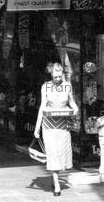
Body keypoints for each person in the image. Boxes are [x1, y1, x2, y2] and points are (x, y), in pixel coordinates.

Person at [34, 62, 79, 197]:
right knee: (53, 153)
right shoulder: (45, 87)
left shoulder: (67, 86)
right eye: (55, 77)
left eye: (60, 77)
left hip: (63, 124)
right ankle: (56, 183)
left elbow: (71, 101)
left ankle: (56, 178)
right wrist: (37, 127)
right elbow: (42, 106)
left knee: (62, 152)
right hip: (49, 125)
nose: (58, 79)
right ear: (51, 75)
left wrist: (75, 109)